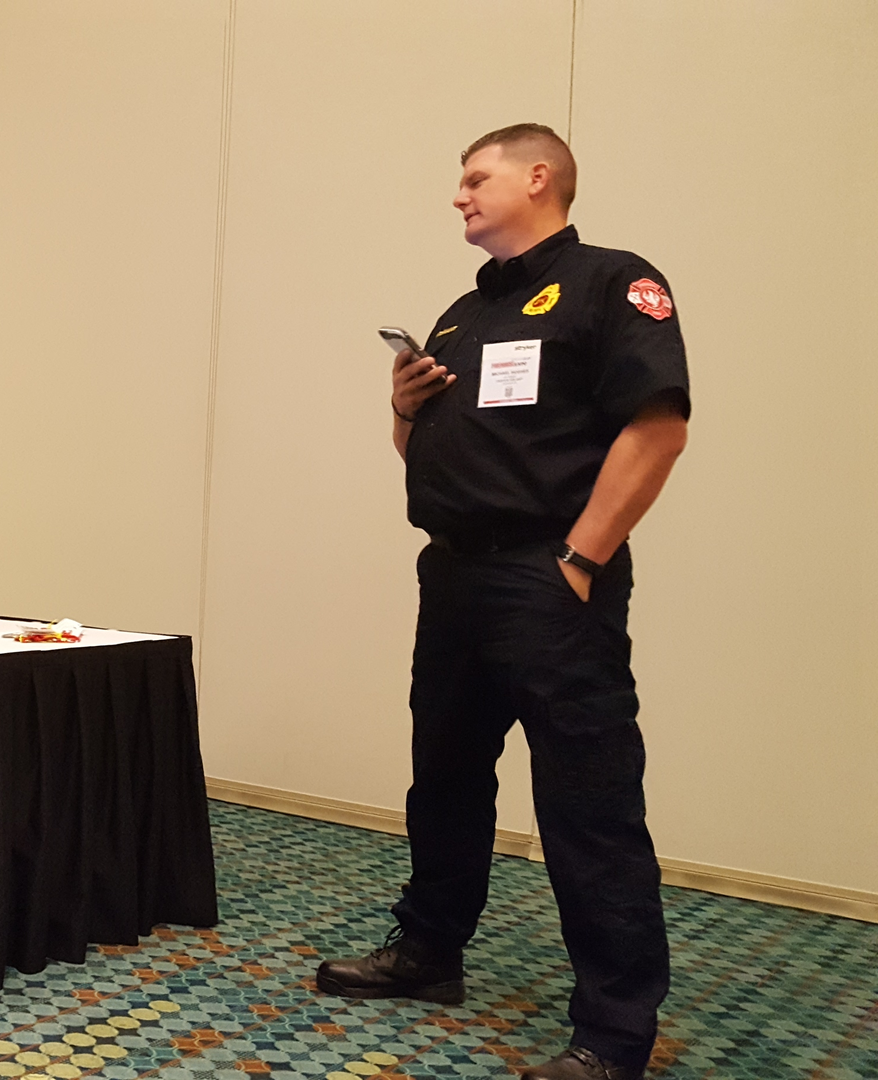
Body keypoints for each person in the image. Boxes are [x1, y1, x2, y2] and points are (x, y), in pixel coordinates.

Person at [315, 124, 690, 1080]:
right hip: (453, 577)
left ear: (538, 177)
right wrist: (404, 408)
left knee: (588, 804)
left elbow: (658, 427)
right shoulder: (459, 317)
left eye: (475, 178)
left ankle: (613, 1036)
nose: (459, 195)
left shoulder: (614, 282)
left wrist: (579, 559)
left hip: (548, 580)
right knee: (441, 779)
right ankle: (430, 953)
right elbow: (430, 456)